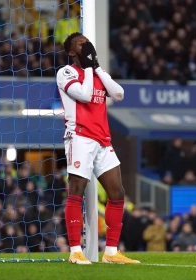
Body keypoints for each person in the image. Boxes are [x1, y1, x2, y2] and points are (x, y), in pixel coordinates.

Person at [56, 32, 140, 264]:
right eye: (81, 44)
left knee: (117, 193)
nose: (87, 46)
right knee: (77, 190)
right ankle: (75, 251)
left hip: (103, 140)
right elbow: (83, 95)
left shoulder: (97, 74)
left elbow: (119, 94)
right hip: (80, 137)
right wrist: (90, 69)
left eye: (88, 43)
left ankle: (111, 252)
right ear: (71, 51)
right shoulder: (67, 72)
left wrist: (98, 68)